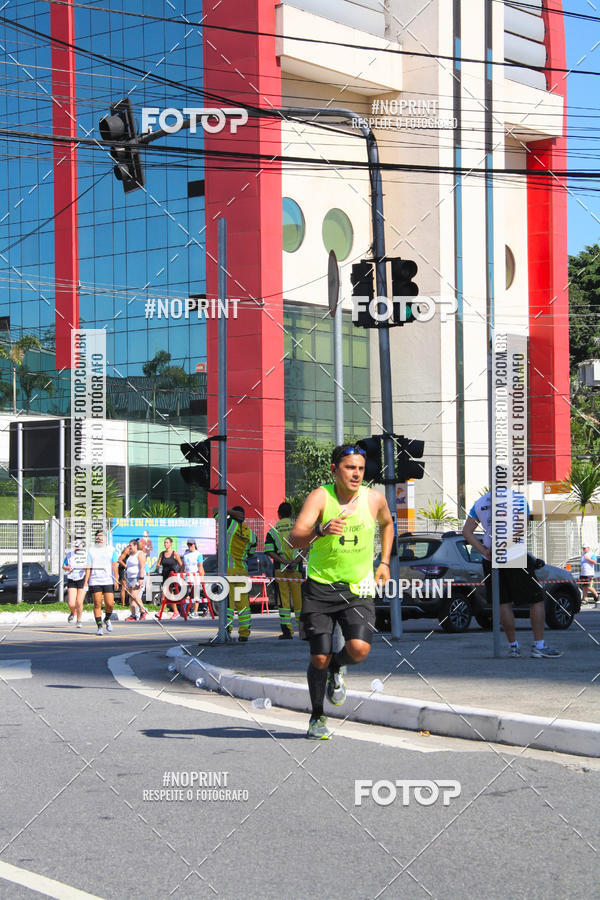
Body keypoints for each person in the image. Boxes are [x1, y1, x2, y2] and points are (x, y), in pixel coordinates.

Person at [290, 444, 393, 740]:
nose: (356, 474)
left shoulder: (373, 498)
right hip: (320, 587)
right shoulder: (321, 497)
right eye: (350, 467)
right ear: (334, 470)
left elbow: (388, 524)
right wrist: (320, 530)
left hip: (358, 587)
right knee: (318, 657)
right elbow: (295, 537)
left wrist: (384, 562)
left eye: (360, 468)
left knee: (359, 650)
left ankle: (337, 668)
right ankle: (317, 716)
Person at [462, 490, 562, 658]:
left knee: (503, 602)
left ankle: (513, 646)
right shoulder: (518, 499)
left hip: (491, 560)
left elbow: (467, 532)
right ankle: (539, 645)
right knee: (536, 599)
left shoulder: (480, 502)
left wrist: (485, 551)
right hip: (514, 554)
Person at [265, 501, 302, 640]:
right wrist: (296, 561)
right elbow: (306, 547)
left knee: (283, 601)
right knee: (299, 601)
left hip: (280, 570)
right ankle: (303, 630)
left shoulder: (273, 531)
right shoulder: (298, 528)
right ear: (291, 513)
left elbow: (269, 551)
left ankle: (287, 631)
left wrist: (284, 562)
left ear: (278, 514)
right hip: (296, 570)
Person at [226, 506, 257, 642]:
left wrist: (230, 513)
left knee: (228, 604)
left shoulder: (228, 525)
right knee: (243, 604)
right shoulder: (251, 535)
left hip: (229, 570)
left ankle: (226, 631)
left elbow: (215, 510)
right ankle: (244, 634)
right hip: (242, 571)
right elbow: (250, 554)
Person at [83, 530, 119, 636]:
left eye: (101, 537)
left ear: (105, 538)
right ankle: (99, 627)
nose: (99, 539)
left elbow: (114, 565)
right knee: (97, 603)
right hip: (95, 580)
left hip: (108, 580)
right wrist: (86, 581)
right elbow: (88, 567)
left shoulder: (111, 550)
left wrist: (116, 579)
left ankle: (107, 619)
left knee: (110, 604)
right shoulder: (91, 551)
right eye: (97, 537)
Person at [156, 537, 184, 619]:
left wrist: (180, 574)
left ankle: (162, 611)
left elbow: (181, 565)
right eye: (165, 543)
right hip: (164, 575)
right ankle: (175, 612)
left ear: (171, 544)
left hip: (172, 576)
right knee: (168, 595)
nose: (165, 544)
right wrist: (158, 567)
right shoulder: (162, 554)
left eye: (167, 542)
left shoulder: (174, 554)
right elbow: (158, 564)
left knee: (165, 594)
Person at [121, 539, 148, 621]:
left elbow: (142, 566)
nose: (129, 547)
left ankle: (143, 611)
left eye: (131, 546)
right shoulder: (130, 555)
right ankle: (133, 615)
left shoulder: (140, 554)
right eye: (129, 546)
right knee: (131, 597)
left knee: (134, 595)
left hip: (137, 577)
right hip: (130, 578)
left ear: (135, 546)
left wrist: (141, 578)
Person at [63, 540, 87, 628]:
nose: (77, 549)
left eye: (78, 547)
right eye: (75, 547)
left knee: (79, 602)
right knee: (71, 603)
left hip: (82, 579)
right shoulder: (69, 555)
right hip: (72, 578)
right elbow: (64, 565)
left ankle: (79, 620)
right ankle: (73, 612)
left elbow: (89, 567)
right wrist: (67, 568)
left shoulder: (85, 555)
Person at [182, 539, 206, 618]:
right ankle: (189, 609)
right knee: (187, 595)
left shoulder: (198, 554)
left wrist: (202, 578)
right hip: (187, 577)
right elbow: (183, 566)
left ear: (194, 545)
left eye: (191, 545)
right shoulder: (186, 553)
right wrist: (181, 574)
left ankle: (195, 612)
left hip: (195, 576)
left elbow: (200, 567)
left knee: (196, 595)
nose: (190, 546)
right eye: (189, 545)